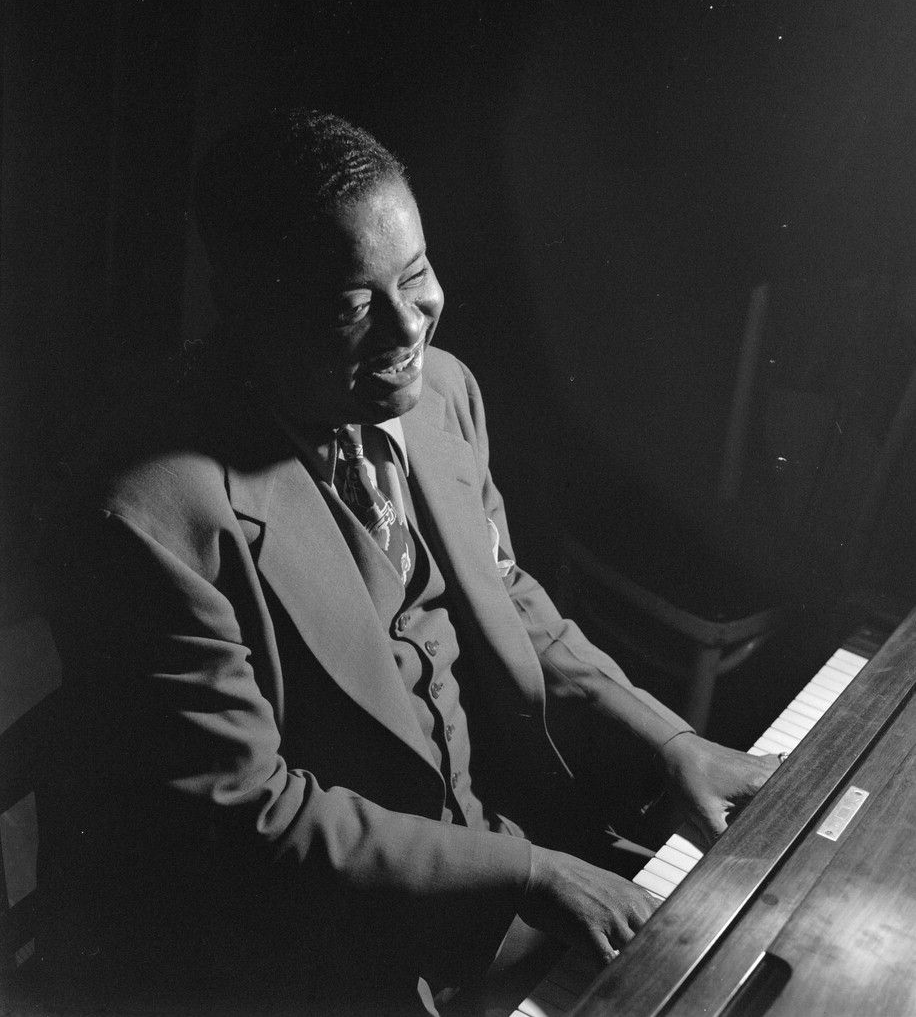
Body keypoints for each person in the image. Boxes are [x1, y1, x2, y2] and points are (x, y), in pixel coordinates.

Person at [37, 109, 779, 1016]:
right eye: (352, 304)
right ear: (250, 303)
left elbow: (511, 599)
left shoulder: (443, 398)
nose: (406, 328)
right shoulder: (146, 518)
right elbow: (250, 816)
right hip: (299, 952)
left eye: (417, 276)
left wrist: (673, 746)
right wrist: (527, 874)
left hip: (496, 868)